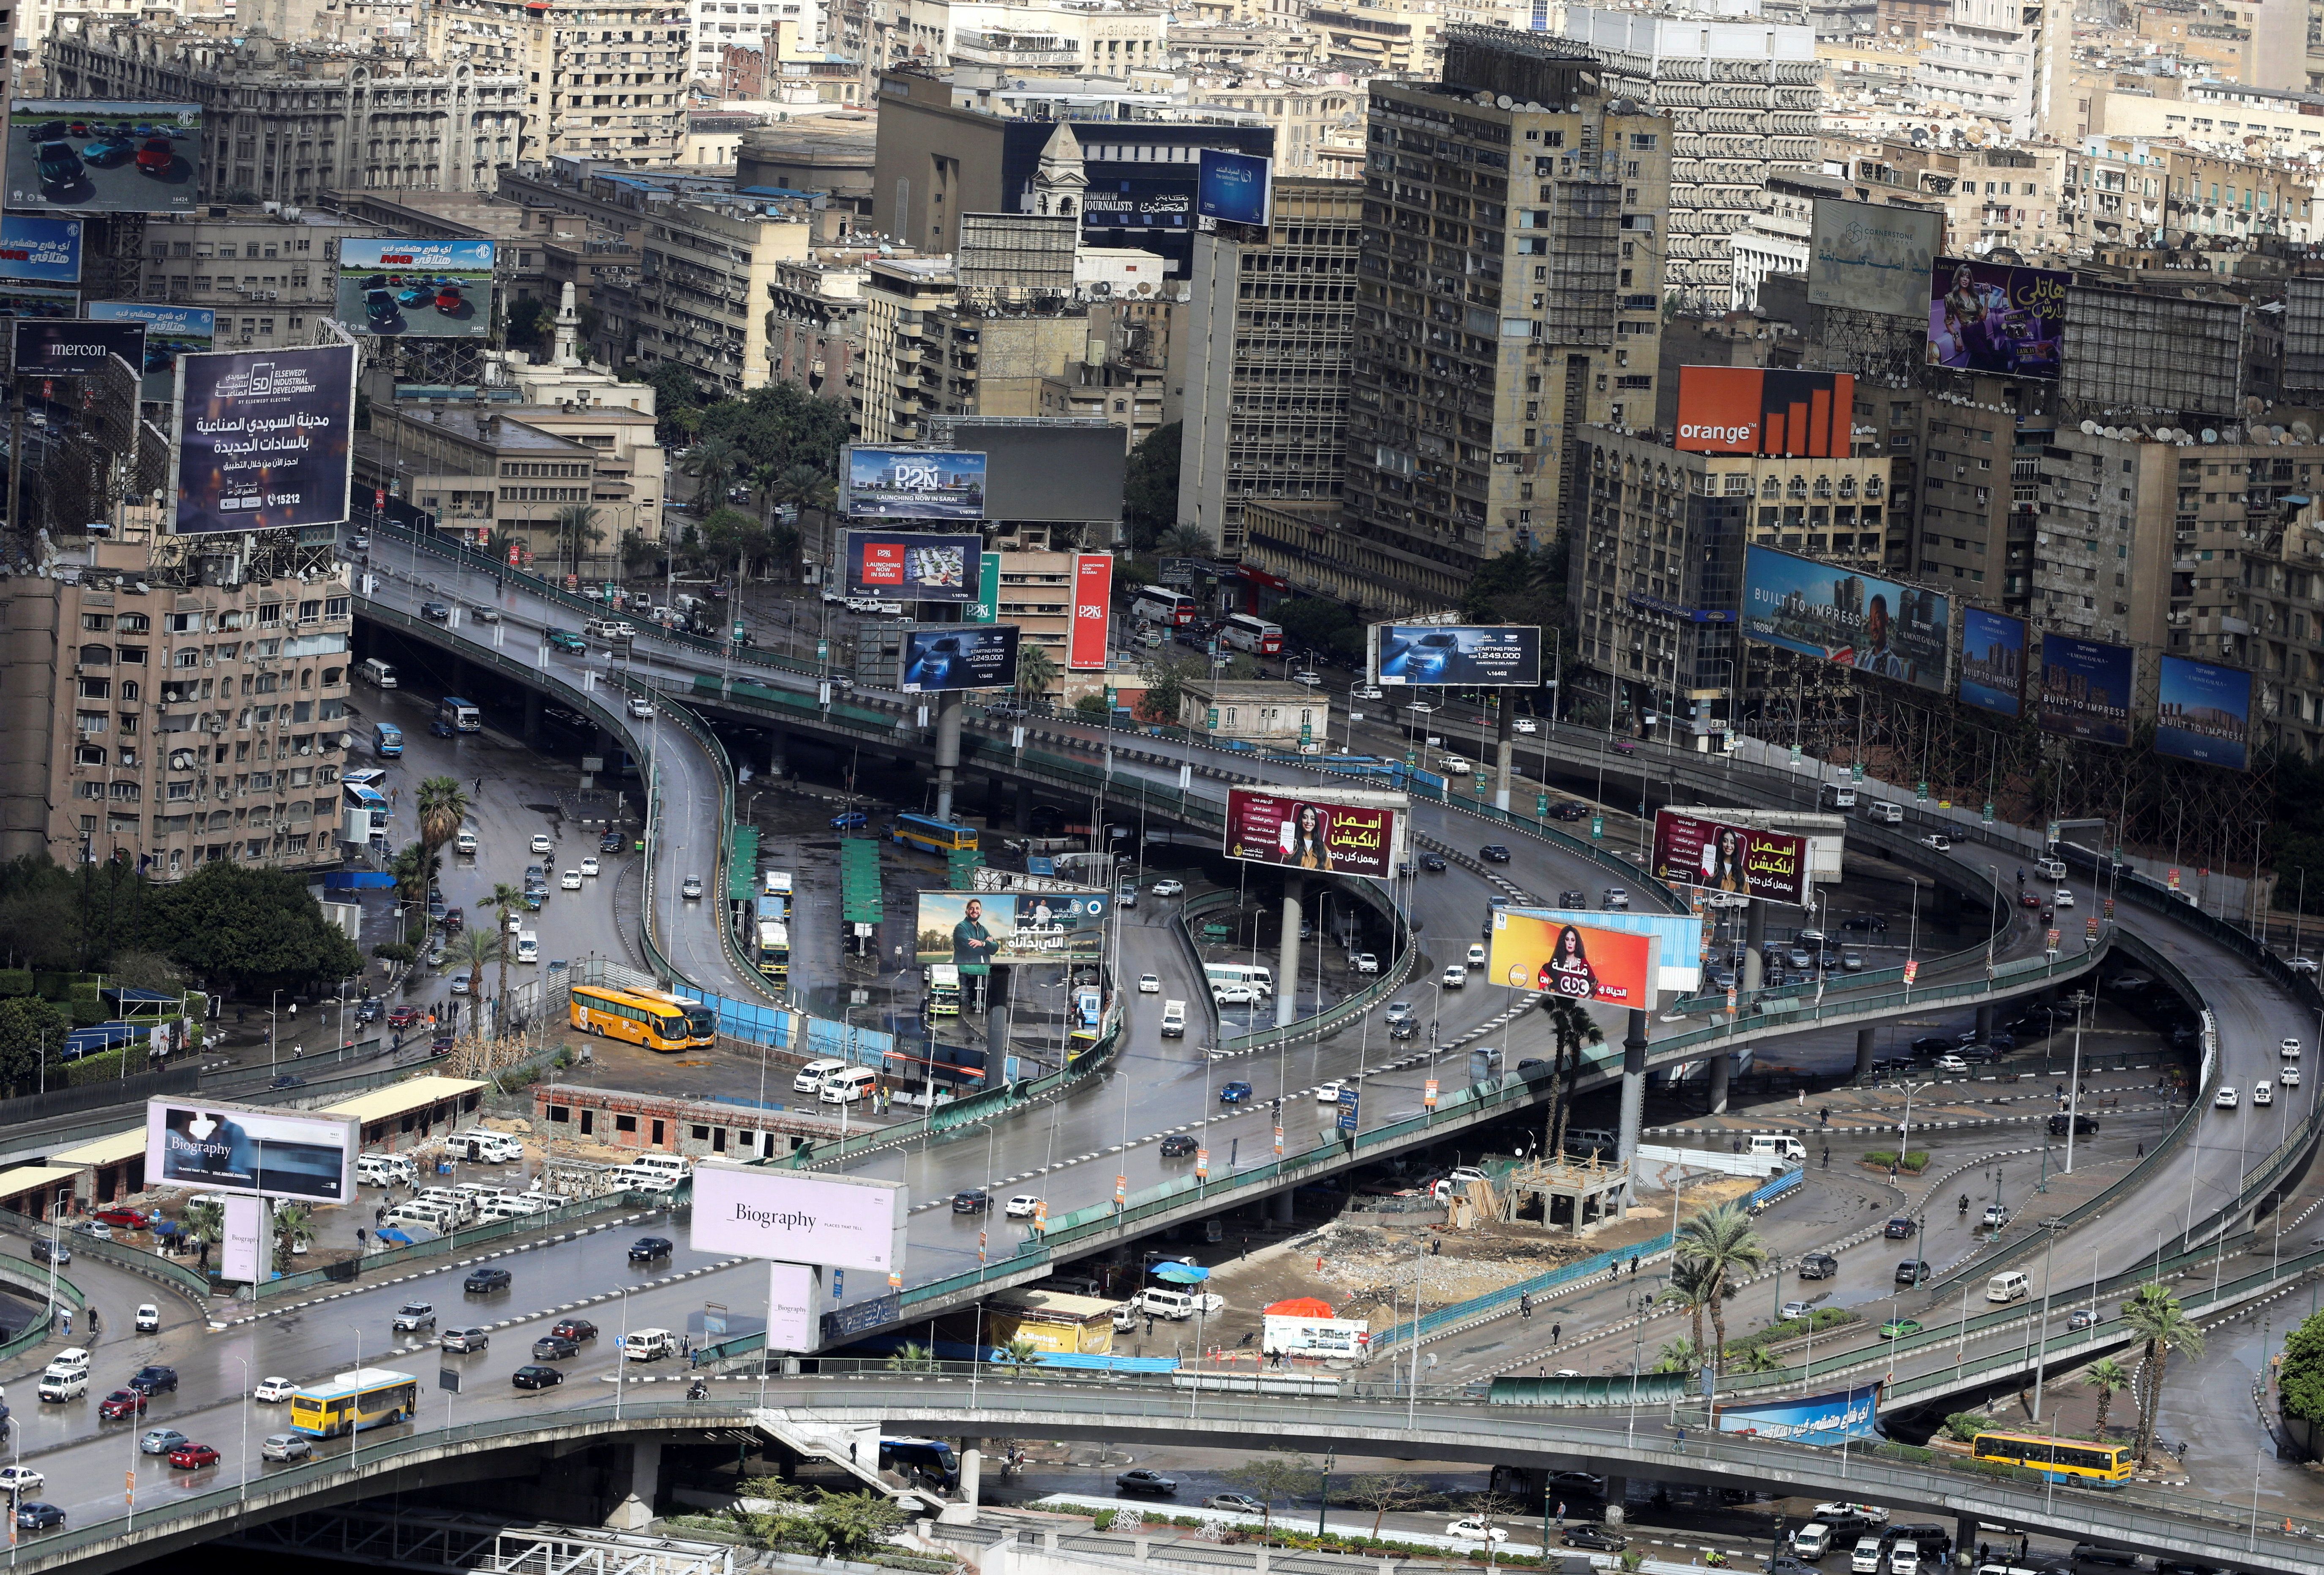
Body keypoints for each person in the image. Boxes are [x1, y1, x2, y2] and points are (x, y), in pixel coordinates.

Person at [1536, 924, 1601, 1003]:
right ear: (1563, 941)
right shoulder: (1557, 960)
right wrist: (1549, 995)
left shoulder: (1583, 963)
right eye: (1567, 940)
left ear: (1576, 943)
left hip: (1573, 1006)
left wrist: (1583, 1001)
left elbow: (1594, 986)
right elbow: (1542, 974)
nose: (1570, 943)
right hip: (1557, 1005)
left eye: (1573, 940)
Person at [951, 899, 1000, 967]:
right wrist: (988, 946)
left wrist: (982, 943)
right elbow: (969, 951)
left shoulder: (983, 929)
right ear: (966, 912)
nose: (975, 911)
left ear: (981, 912)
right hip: (965, 973)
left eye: (977, 908)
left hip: (984, 972)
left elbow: (995, 947)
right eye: (971, 909)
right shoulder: (960, 928)